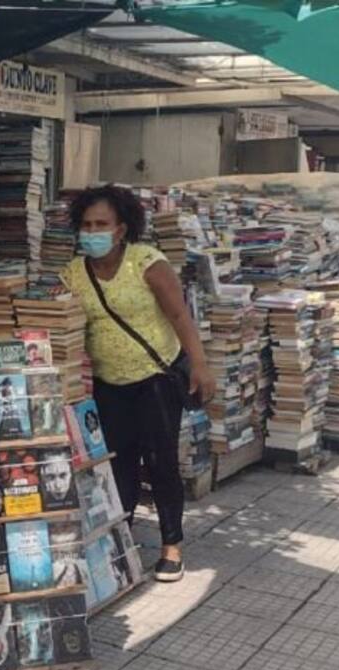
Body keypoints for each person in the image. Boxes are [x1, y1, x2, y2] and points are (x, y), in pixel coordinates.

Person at [62, 184, 216, 582]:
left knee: (160, 460)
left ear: (122, 228)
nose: (92, 231)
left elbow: (181, 317)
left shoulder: (147, 262)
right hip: (107, 383)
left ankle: (171, 545)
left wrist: (199, 364)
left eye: (102, 224)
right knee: (118, 463)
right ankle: (121, 537)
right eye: (86, 224)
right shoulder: (74, 274)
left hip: (156, 378)